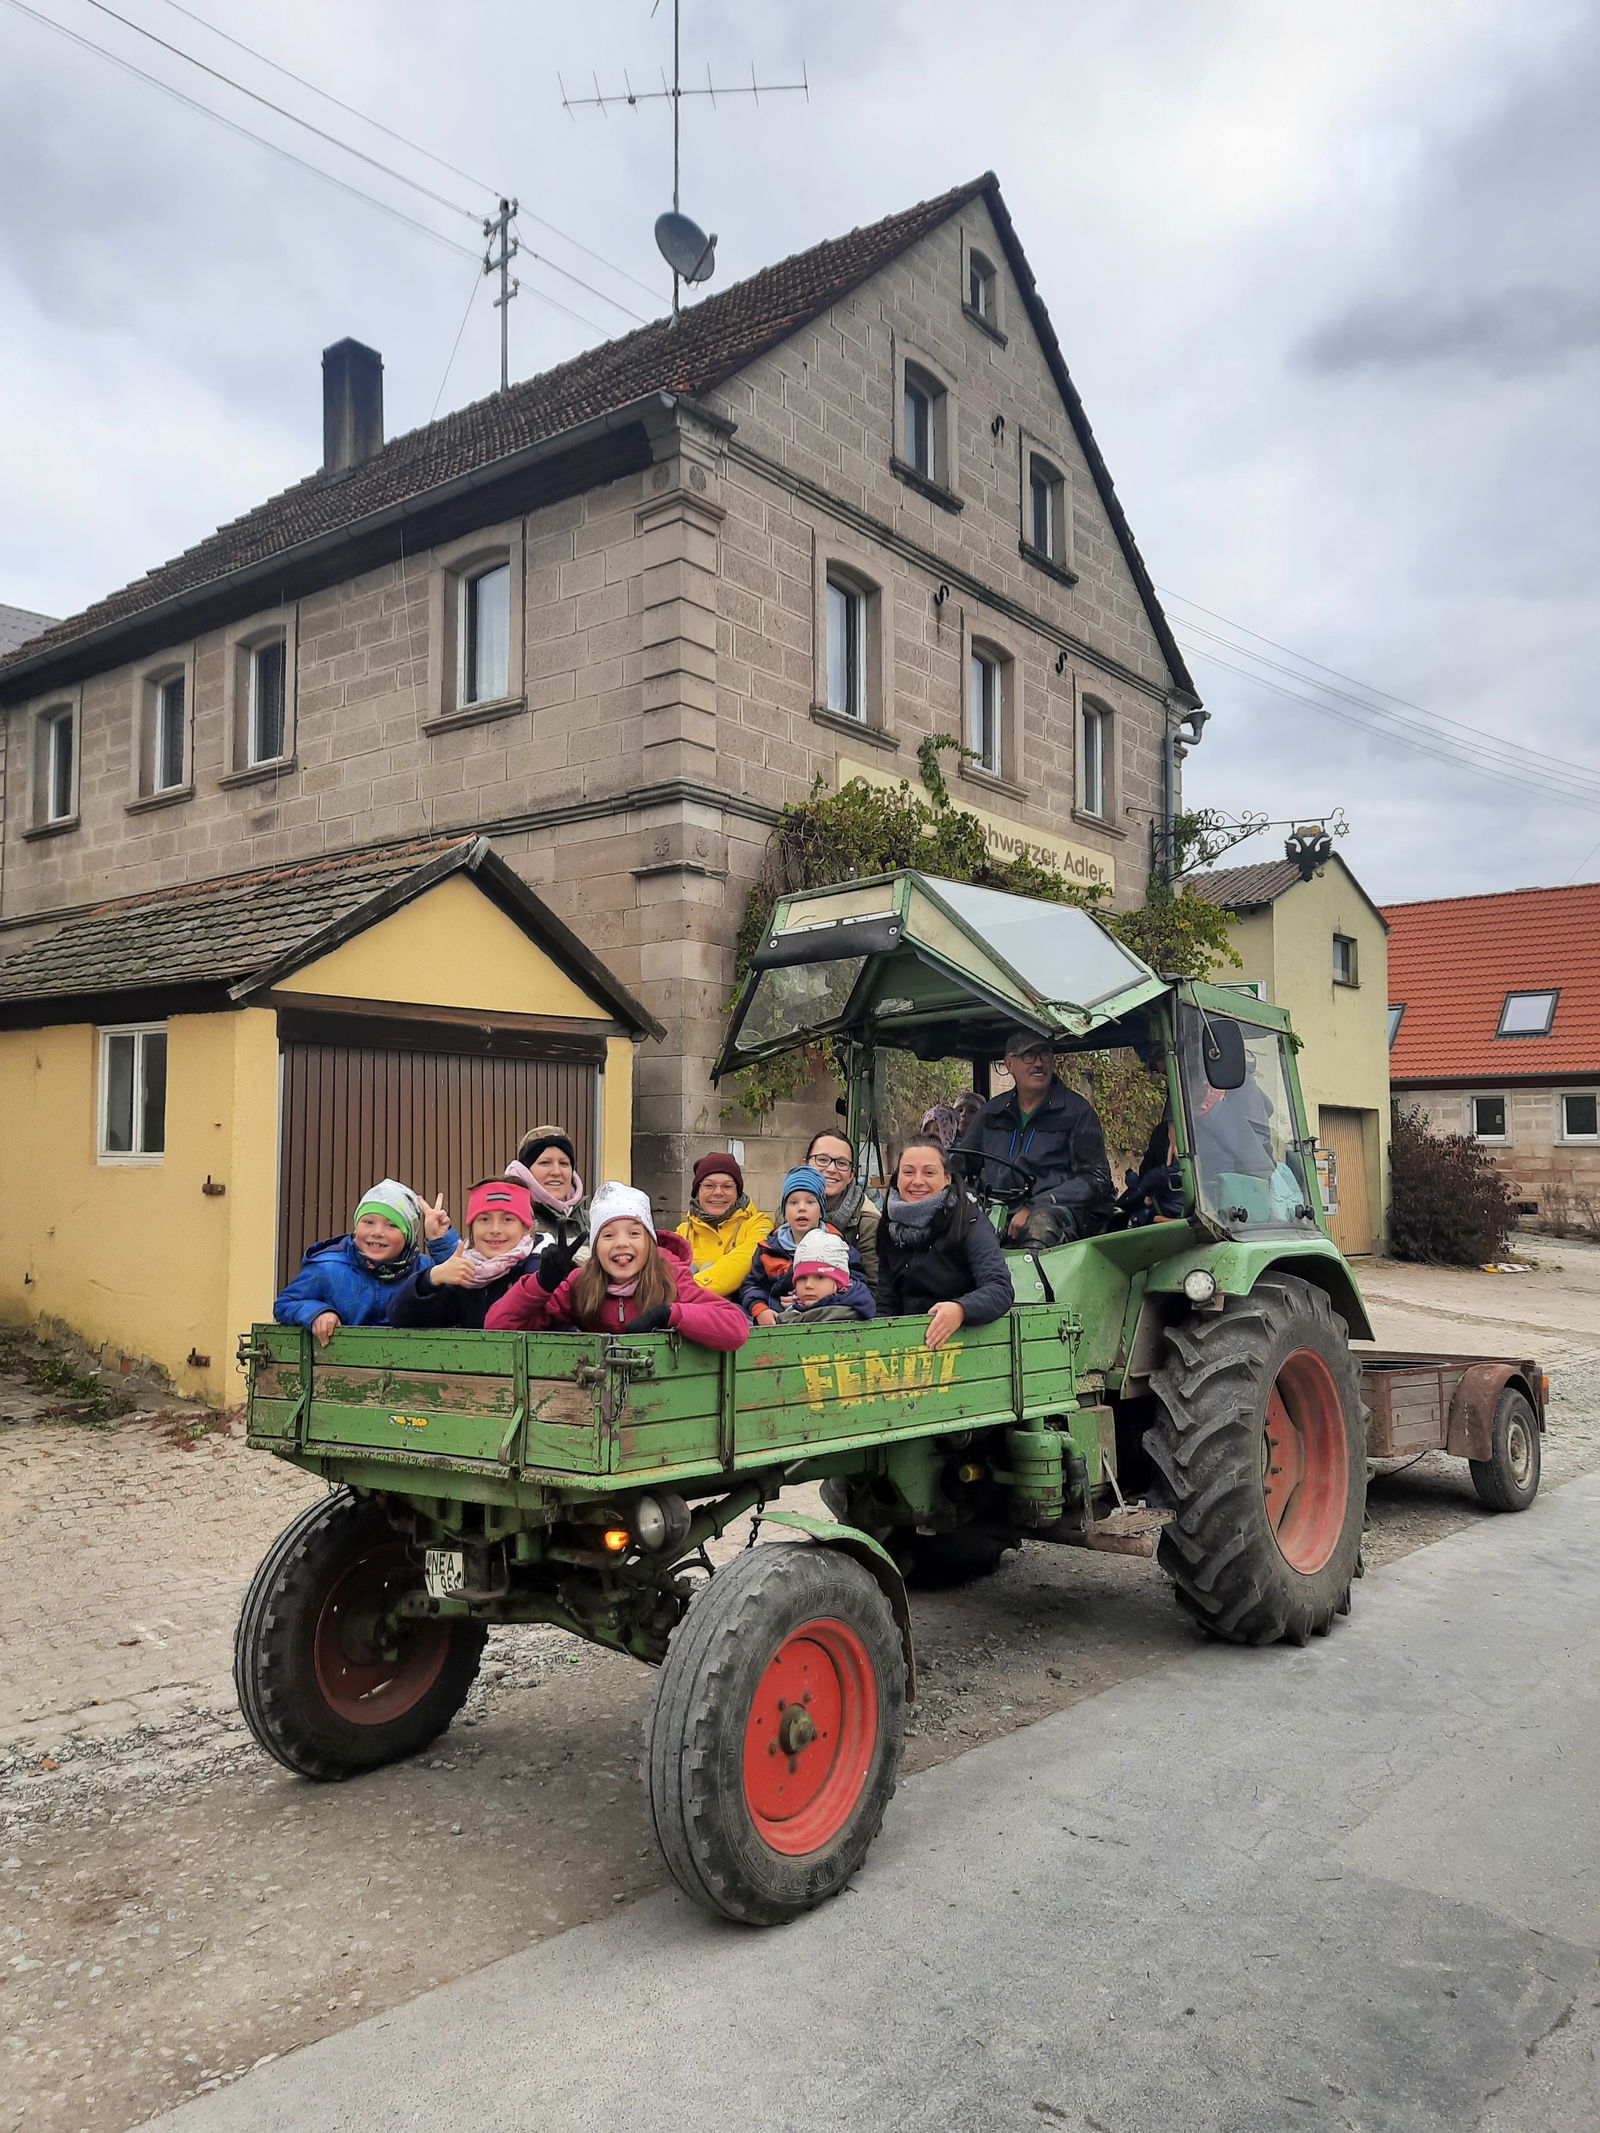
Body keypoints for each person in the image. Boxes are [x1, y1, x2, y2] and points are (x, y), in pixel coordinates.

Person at [484, 1182, 749, 1349]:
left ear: (650, 1243)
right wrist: (540, 1284)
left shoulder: (670, 1278)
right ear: (596, 1248)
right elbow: (497, 1327)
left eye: (634, 1233)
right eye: (608, 1235)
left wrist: (670, 1314)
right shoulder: (580, 1284)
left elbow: (736, 1328)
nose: (621, 1243)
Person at [957, 1029, 1115, 1247]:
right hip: (997, 1209)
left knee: (1040, 1225)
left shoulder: (1077, 1112)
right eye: (1028, 1056)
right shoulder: (991, 1113)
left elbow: (1095, 1179)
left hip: (1060, 1213)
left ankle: (1036, 1281)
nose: (1039, 1063)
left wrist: (1035, 1206)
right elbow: (961, 1162)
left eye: (1045, 1054)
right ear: (1009, 1064)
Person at [275, 1179, 458, 1346]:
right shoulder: (328, 1268)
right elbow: (286, 1302)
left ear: (408, 1236)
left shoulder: (423, 1270)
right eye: (368, 1222)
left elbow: (461, 1294)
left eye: (392, 1225)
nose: (377, 1232)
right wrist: (316, 1312)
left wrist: (441, 1241)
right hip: (342, 1369)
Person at [875, 1137, 1013, 1350]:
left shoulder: (969, 1222)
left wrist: (960, 1310)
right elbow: (886, 1301)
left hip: (967, 1343)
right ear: (897, 1177)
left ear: (947, 1179)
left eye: (929, 1172)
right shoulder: (889, 1226)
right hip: (907, 1345)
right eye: (909, 1172)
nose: (917, 1181)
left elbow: (1000, 1288)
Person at [386, 1177, 539, 1329]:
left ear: (526, 1227)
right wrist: (430, 1278)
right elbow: (400, 1318)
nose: (495, 1230)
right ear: (472, 1227)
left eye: (507, 1219)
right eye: (484, 1219)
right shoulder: (466, 1277)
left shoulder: (537, 1270)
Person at [740, 1163, 868, 1325]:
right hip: (776, 1322)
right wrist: (760, 1309)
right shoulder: (769, 1249)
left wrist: (820, 1295)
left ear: (821, 1209)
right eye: (793, 1203)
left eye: (810, 1202)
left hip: (824, 1319)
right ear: (784, 1211)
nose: (801, 1208)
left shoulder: (838, 1246)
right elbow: (753, 1285)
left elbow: (856, 1283)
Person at [674, 1152, 772, 1297]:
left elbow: (741, 1261)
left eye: (727, 1187)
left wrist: (686, 1292)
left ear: (737, 1192)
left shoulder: (758, 1224)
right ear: (697, 1191)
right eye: (709, 1186)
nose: (718, 1192)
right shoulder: (682, 1233)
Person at [804, 1128, 881, 1288]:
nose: (832, 1169)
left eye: (842, 1163)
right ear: (805, 1164)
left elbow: (874, 1289)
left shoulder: (868, 1223)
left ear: (851, 1175)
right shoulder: (789, 1211)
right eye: (822, 1160)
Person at [505, 1125, 588, 1254]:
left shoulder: (592, 1221)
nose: (556, 1172)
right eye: (545, 1163)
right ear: (525, 1171)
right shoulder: (509, 1220)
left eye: (564, 1163)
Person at [776, 1229, 877, 1325]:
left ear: (839, 1282)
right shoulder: (791, 1313)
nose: (808, 1285)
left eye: (819, 1277)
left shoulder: (847, 1315)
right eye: (802, 1278)